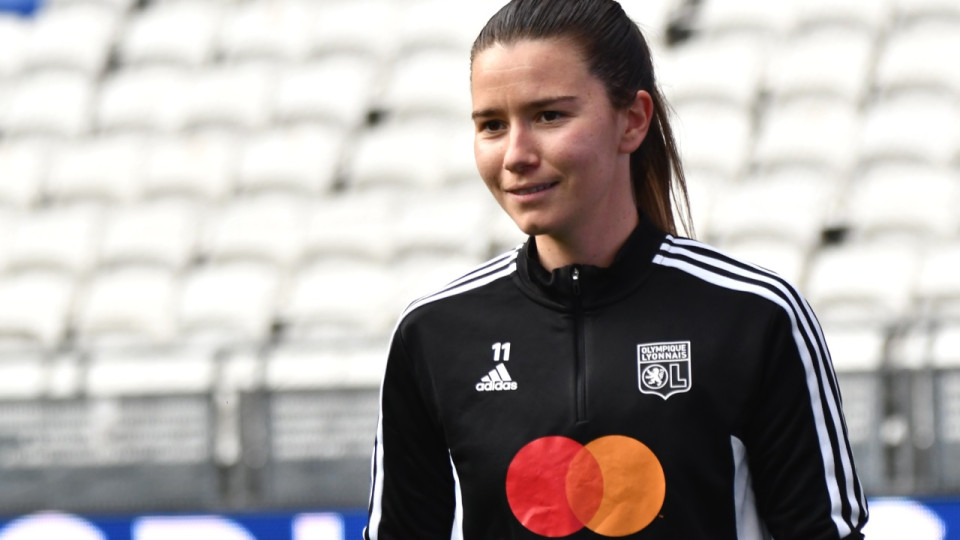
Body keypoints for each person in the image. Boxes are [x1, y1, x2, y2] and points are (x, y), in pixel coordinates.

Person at [365, 0, 869, 538]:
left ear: (632, 121)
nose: (515, 154)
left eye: (549, 116)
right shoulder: (433, 333)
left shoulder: (754, 315)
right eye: (491, 125)